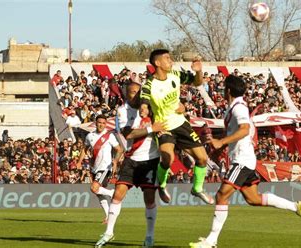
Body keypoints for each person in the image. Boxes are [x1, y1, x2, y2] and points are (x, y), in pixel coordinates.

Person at [189, 75, 301, 248]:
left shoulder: (239, 108)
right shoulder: (233, 108)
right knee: (253, 199)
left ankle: (211, 241)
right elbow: (238, 132)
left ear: (228, 90)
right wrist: (219, 145)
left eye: (224, 88)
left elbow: (245, 130)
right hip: (243, 159)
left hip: (242, 160)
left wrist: (221, 142)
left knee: (221, 195)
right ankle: (296, 206)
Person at [95, 82, 166, 248]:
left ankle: (149, 236)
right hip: (131, 158)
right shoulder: (122, 110)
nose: (135, 94)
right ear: (126, 94)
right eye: (131, 92)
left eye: (137, 91)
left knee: (149, 198)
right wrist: (151, 129)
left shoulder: (152, 107)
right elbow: (128, 134)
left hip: (151, 159)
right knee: (118, 193)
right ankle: (109, 232)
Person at [141, 49, 213, 204]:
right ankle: (161, 184)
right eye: (167, 58)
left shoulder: (175, 75)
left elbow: (197, 82)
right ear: (157, 63)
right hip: (163, 126)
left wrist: (199, 71)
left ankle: (197, 188)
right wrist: (144, 109)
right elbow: (144, 101)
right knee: (168, 158)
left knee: (202, 158)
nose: (171, 61)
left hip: (181, 123)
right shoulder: (149, 84)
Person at [77, 115, 123, 223]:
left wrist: (115, 161)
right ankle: (108, 216)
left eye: (103, 123)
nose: (101, 124)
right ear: (96, 123)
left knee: (94, 188)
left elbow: (119, 149)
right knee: (98, 192)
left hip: (105, 167)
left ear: (105, 124)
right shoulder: (90, 136)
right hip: (95, 168)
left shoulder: (109, 136)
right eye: (99, 122)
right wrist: (79, 161)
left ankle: (112, 193)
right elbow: (84, 149)